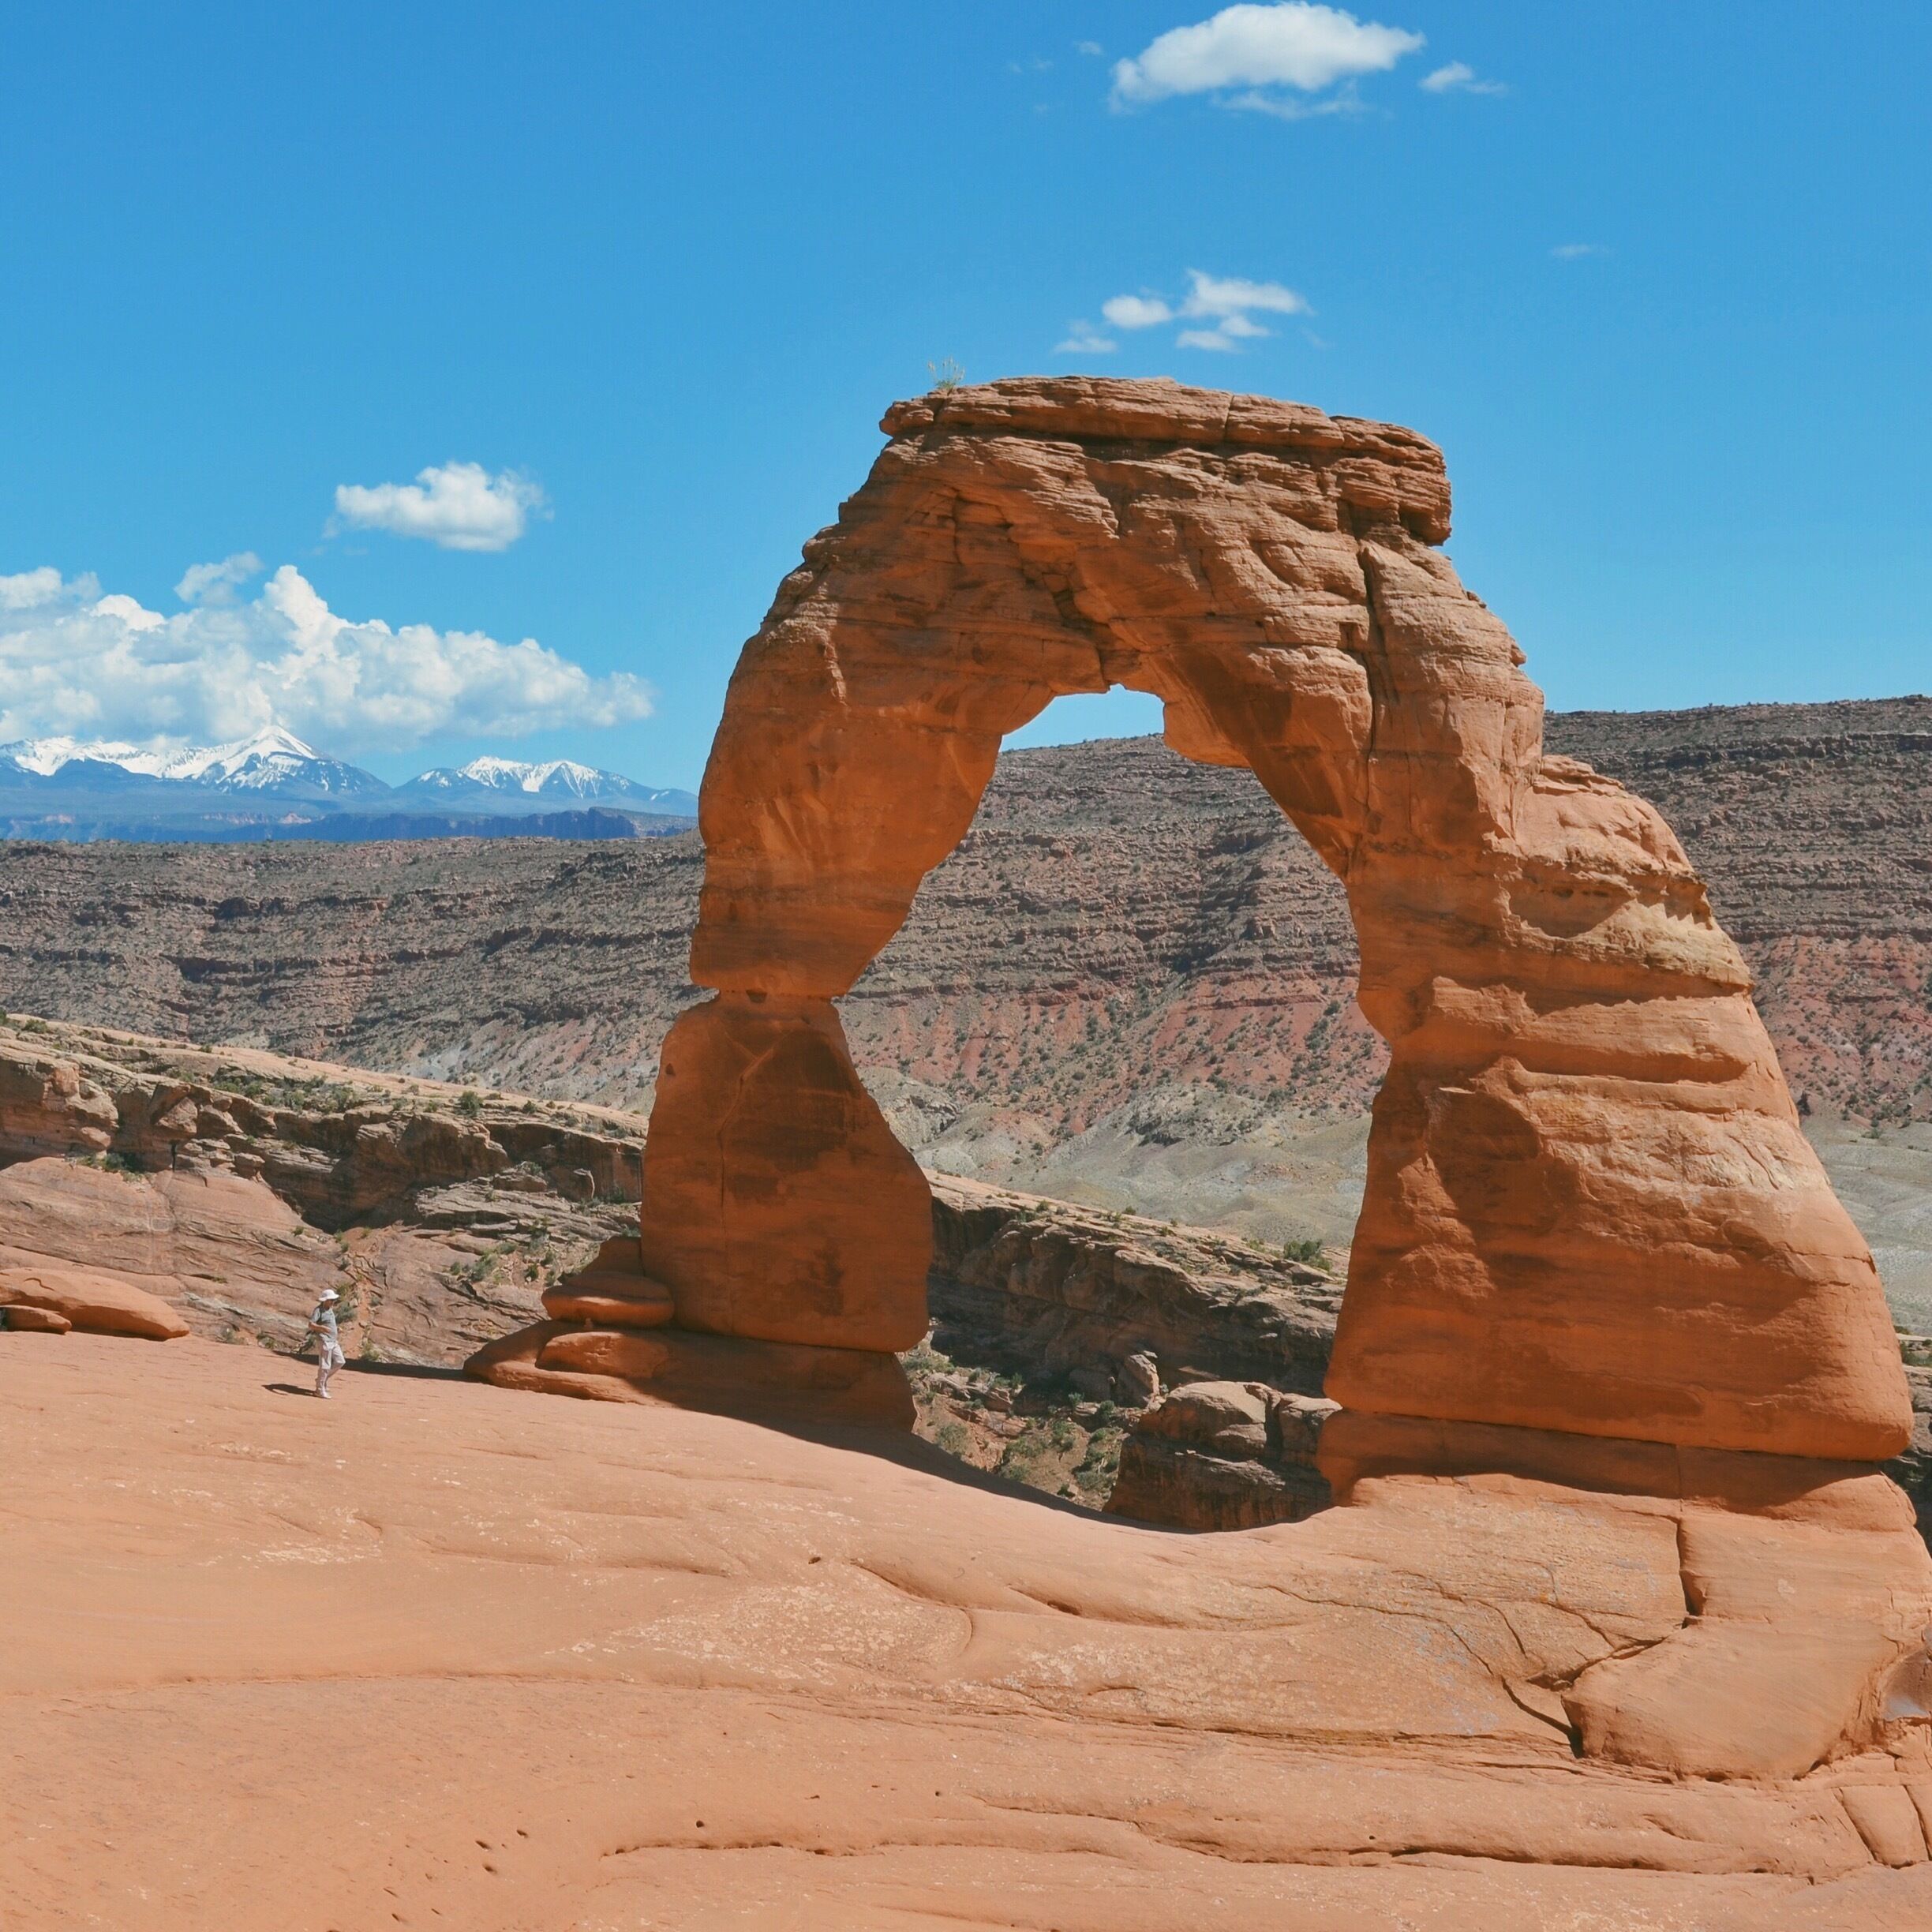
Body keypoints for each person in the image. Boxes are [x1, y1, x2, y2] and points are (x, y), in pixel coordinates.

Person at [308, 1287, 346, 1398]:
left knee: (340, 1361)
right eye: (331, 1300)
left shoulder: (330, 1309)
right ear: (325, 1300)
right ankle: (319, 1390)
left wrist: (337, 1329)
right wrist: (322, 1328)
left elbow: (330, 1323)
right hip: (325, 1340)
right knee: (325, 1365)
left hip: (333, 1341)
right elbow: (311, 1324)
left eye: (333, 1300)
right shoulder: (319, 1310)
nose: (333, 1302)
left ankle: (322, 1380)